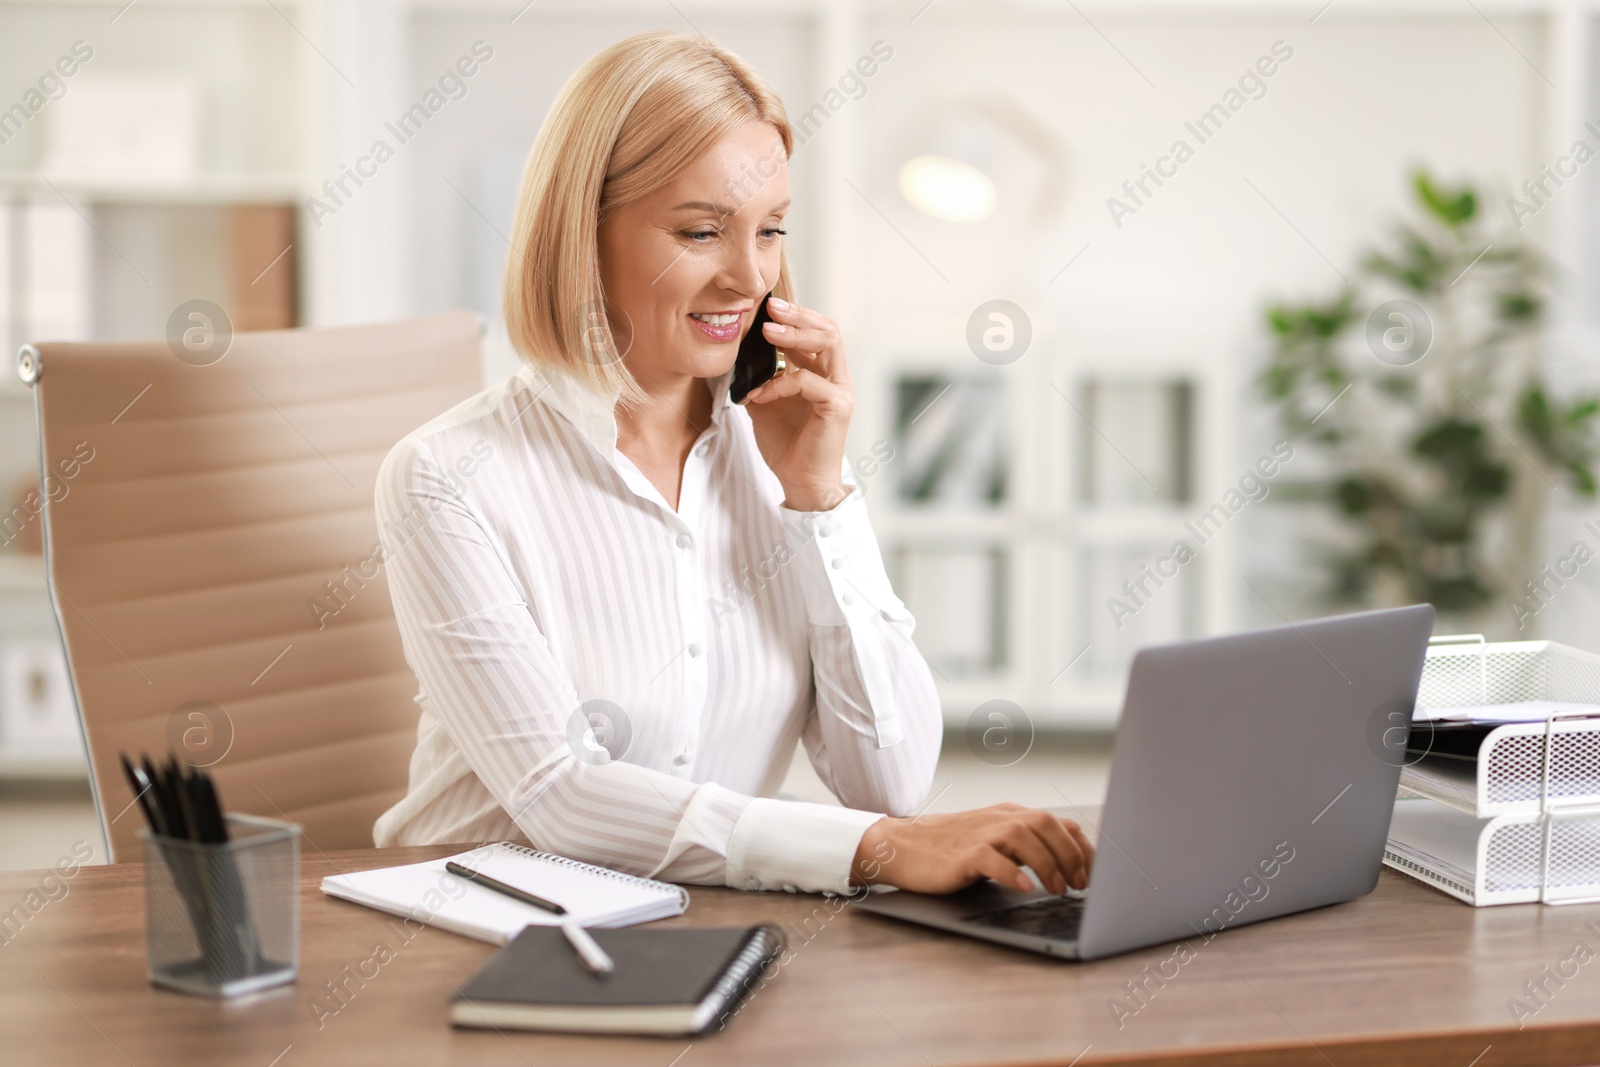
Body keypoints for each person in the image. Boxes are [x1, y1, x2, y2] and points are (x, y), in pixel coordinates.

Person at [372, 29, 1094, 898]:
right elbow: (559, 796)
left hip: (698, 932)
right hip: (464, 934)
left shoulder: (780, 453)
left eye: (771, 230)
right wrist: (874, 848)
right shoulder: (447, 477)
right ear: (582, 232)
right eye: (702, 230)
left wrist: (820, 500)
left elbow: (891, 783)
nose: (749, 276)